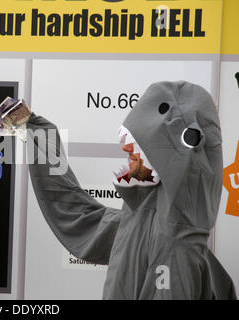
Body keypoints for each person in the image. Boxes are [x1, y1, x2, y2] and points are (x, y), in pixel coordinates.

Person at [26, 81, 236, 299]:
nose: (127, 150)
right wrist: (41, 134)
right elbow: (77, 212)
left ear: (178, 150)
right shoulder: (138, 217)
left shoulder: (176, 247)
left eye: (139, 148)